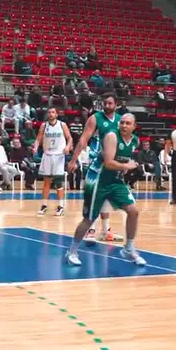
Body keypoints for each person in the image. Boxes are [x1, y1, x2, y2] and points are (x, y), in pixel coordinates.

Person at [66, 112, 145, 267]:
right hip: (98, 179)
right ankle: (72, 251)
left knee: (133, 211)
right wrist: (125, 166)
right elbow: (108, 163)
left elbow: (125, 157)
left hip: (115, 180)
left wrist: (128, 165)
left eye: (127, 123)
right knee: (89, 218)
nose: (123, 125)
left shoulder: (135, 141)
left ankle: (129, 248)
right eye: (122, 122)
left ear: (134, 127)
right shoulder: (111, 136)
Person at [68, 93, 119, 243]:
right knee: (93, 196)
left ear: (116, 104)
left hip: (112, 164)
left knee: (107, 198)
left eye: (110, 103)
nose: (107, 106)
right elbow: (83, 139)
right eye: (105, 103)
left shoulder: (121, 120)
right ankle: (91, 229)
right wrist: (73, 160)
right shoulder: (95, 118)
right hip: (96, 162)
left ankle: (106, 230)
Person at [34, 107, 72, 217]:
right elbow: (38, 139)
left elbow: (69, 138)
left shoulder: (62, 125)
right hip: (47, 155)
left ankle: (60, 207)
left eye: (53, 112)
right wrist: (35, 147)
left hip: (59, 155)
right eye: (49, 112)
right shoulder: (43, 126)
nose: (51, 114)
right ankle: (44, 205)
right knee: (46, 182)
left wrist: (68, 147)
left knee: (58, 182)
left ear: (56, 114)